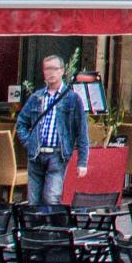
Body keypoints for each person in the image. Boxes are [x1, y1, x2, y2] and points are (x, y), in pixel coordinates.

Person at [16, 54, 91, 208]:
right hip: (36, 154)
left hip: (58, 154)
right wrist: (28, 142)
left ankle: (52, 230)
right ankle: (34, 231)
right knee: (33, 201)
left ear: (62, 71)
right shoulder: (36, 97)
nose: (50, 73)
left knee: (51, 198)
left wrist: (82, 161)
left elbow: (82, 132)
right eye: (47, 69)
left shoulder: (72, 98)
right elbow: (21, 122)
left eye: (54, 69)